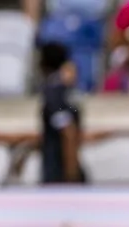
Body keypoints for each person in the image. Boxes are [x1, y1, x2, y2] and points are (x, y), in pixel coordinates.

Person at [39, 43, 87, 185]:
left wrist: (71, 172)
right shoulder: (69, 92)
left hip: (59, 172)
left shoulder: (54, 93)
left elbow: (68, 130)